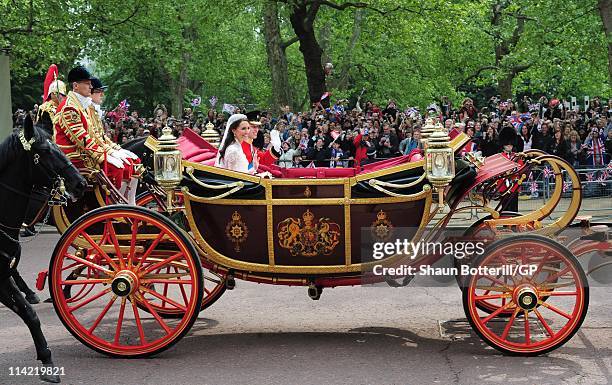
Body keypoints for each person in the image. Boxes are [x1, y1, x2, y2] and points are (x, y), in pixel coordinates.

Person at [55, 66, 135, 192]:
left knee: (128, 164)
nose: (91, 87)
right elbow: (82, 139)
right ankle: (112, 207)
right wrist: (103, 156)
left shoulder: (81, 105)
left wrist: (112, 150)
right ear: (75, 86)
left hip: (84, 153)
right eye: (87, 84)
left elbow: (96, 135)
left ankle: (122, 204)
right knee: (116, 169)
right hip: (73, 156)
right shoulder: (69, 107)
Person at [88, 77, 140, 204]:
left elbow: (101, 137)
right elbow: (91, 138)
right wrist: (108, 152)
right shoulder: (87, 110)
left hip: (101, 148)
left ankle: (128, 202)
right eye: (99, 91)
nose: (102, 94)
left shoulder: (93, 110)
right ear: (91, 93)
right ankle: (116, 204)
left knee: (135, 162)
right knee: (120, 168)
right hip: (91, 154)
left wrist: (117, 149)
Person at [35, 64, 66, 136]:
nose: (63, 97)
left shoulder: (66, 105)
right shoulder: (45, 108)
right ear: (52, 94)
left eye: (63, 95)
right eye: (60, 94)